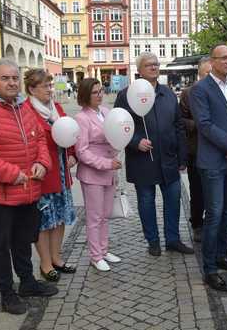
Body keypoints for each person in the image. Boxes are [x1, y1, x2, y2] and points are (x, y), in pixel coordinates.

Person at [0, 58, 57, 315]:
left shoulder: (24, 107)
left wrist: (42, 164)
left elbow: (39, 141)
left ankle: (27, 283)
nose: (12, 82)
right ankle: (6, 293)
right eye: (5, 78)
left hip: (27, 190)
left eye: (15, 77)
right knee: (1, 245)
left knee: (23, 240)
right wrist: (12, 174)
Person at [115, 53, 193, 257]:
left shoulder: (167, 93)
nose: (154, 67)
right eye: (149, 65)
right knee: (146, 202)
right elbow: (118, 124)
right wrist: (135, 142)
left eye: (156, 64)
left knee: (173, 199)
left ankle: (173, 239)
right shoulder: (126, 95)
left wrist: (182, 156)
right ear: (139, 70)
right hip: (143, 158)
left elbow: (178, 126)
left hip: (168, 158)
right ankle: (153, 241)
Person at [190, 44, 227, 292]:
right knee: (214, 214)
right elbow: (204, 124)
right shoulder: (200, 89)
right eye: (224, 58)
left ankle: (222, 255)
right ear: (212, 62)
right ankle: (210, 269)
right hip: (213, 161)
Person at [24, 69, 77, 282]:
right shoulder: (26, 111)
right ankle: (45, 264)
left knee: (61, 217)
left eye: (50, 85)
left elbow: (70, 133)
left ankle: (57, 258)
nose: (50, 90)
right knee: (45, 221)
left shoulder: (57, 108)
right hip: (43, 174)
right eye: (45, 86)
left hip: (61, 173)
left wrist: (72, 154)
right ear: (31, 89)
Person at [75, 78, 122, 272]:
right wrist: (106, 163)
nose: (100, 95)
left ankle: (103, 250)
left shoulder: (106, 112)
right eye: (95, 92)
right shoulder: (81, 118)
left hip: (110, 171)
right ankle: (95, 256)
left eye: (101, 90)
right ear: (86, 95)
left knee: (104, 215)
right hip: (92, 174)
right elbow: (82, 151)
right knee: (94, 217)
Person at [180, 57, 212, 242]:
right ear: (199, 73)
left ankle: (212, 222)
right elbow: (180, 120)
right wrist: (199, 125)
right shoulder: (188, 93)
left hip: (217, 150)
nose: (209, 75)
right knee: (198, 191)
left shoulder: (221, 91)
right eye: (207, 72)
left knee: (214, 191)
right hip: (197, 150)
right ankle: (197, 224)